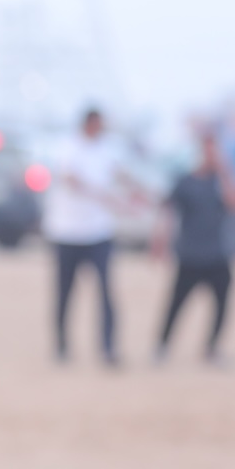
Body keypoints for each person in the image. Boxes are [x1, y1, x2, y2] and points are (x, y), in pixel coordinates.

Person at [42, 107, 143, 366]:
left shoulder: (107, 149)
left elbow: (118, 172)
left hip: (98, 232)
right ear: (88, 124)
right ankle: (62, 345)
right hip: (67, 231)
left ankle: (108, 347)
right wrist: (113, 201)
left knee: (107, 292)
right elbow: (73, 181)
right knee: (65, 293)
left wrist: (138, 190)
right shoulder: (67, 147)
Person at [153, 129, 235, 363]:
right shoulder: (186, 182)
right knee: (176, 304)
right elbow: (169, 212)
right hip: (190, 254)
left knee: (222, 306)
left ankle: (211, 348)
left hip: (218, 254)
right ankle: (162, 346)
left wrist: (225, 171)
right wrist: (160, 240)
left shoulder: (221, 182)